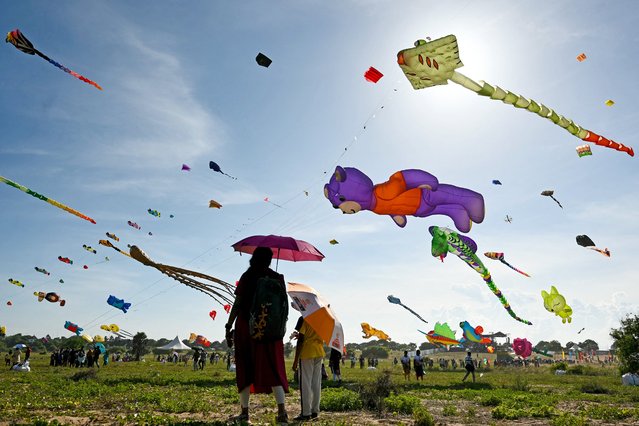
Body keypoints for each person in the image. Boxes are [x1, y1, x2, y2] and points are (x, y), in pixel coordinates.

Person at [225, 247, 289, 425]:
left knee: (245, 368)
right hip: (271, 331)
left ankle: (245, 413)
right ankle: (282, 412)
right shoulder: (278, 278)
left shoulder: (247, 276)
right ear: (269, 260)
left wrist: (228, 325)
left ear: (253, 258)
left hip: (246, 327)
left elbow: (237, 304)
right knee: (273, 368)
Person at [292, 316, 325, 422]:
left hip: (307, 352)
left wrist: (295, 360)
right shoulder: (322, 319)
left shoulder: (305, 318)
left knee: (305, 383)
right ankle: (315, 411)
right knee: (316, 382)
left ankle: (306, 413)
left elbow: (301, 340)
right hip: (319, 351)